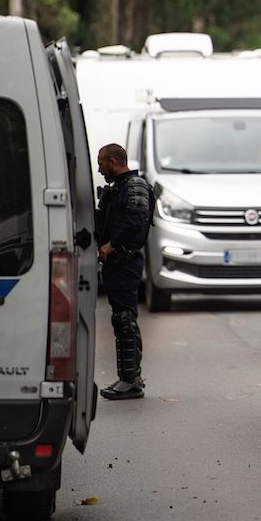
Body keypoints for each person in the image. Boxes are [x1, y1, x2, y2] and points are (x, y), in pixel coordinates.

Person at [95, 143, 154, 400]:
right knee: (121, 318)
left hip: (126, 261)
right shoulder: (118, 188)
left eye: (102, 163)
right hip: (116, 263)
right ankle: (129, 377)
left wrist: (111, 245)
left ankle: (130, 380)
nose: (100, 169)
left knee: (125, 319)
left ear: (114, 161)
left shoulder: (134, 186)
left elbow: (135, 222)